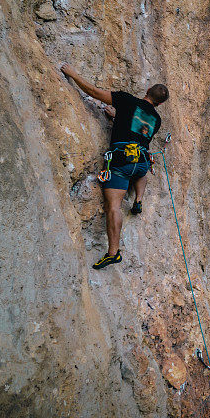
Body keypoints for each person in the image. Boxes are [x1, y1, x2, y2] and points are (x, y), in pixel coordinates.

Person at [60, 63, 169, 269]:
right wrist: (116, 118)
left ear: (147, 91)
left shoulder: (126, 100)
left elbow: (94, 92)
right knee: (142, 166)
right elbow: (137, 131)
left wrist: (73, 75)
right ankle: (138, 198)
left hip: (121, 163)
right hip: (141, 165)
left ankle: (113, 253)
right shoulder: (157, 119)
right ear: (160, 104)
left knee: (114, 207)